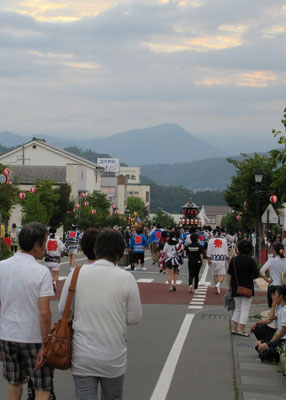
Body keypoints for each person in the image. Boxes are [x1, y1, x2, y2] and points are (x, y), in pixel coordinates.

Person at [58, 229, 142, 400]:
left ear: (96, 250)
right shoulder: (126, 278)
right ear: (119, 254)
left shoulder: (76, 273)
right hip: (113, 355)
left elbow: (62, 309)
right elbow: (134, 318)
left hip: (82, 354)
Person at [0, 222, 54, 400]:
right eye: (44, 243)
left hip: (7, 335)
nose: (45, 248)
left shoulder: (2, 266)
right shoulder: (41, 272)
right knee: (41, 386)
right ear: (36, 245)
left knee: (14, 384)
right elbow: (45, 313)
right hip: (34, 338)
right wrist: (45, 344)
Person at [228, 239, 259, 337]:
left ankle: (234, 328)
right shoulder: (251, 261)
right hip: (248, 288)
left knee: (237, 308)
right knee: (245, 309)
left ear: (239, 249)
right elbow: (255, 275)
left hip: (235, 287)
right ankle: (242, 330)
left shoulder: (234, 259)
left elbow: (230, 275)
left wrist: (229, 287)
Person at [256, 285, 286, 362]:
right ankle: (274, 354)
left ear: (281, 296)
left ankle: (276, 355)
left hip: (283, 340)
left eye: (275, 294)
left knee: (262, 353)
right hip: (279, 337)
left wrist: (274, 341)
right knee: (259, 347)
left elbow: (283, 331)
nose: (274, 296)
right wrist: (271, 342)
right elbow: (278, 330)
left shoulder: (284, 310)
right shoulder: (282, 308)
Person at [260, 243, 286, 308]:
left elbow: (261, 271)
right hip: (283, 287)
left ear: (274, 251)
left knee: (273, 308)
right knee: (282, 307)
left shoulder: (271, 261)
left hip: (273, 286)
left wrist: (268, 280)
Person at [207, 229, 228, 294]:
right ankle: (218, 284)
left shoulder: (210, 241)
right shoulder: (224, 241)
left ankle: (216, 287)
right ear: (220, 233)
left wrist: (208, 259)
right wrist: (227, 257)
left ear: (213, 234)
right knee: (222, 275)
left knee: (215, 274)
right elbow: (226, 249)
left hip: (213, 258)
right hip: (221, 258)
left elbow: (209, 250)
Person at [45, 227, 66, 292]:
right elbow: (63, 250)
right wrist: (62, 255)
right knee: (56, 275)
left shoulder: (46, 240)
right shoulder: (58, 240)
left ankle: (47, 286)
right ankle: (54, 283)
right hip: (55, 260)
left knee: (48, 275)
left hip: (48, 259)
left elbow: (44, 249)